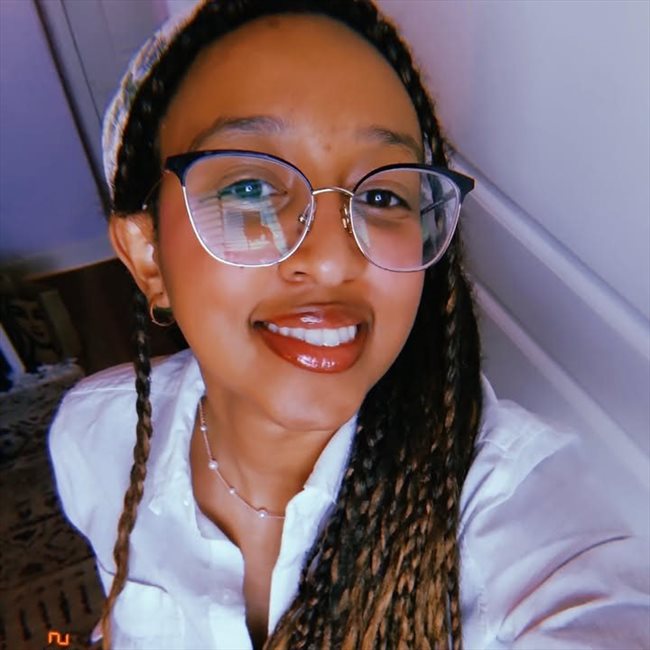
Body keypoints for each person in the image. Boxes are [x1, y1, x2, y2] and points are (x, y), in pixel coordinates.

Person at [48, 1, 649, 649]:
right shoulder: (97, 439)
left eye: (383, 196)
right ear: (148, 257)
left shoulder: (505, 507)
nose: (336, 258)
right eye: (250, 187)